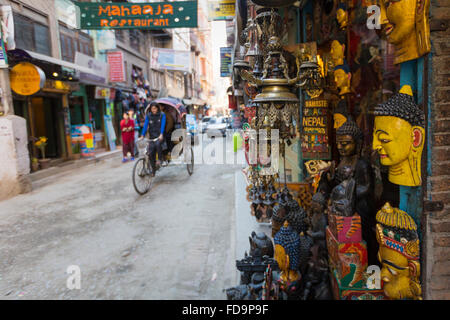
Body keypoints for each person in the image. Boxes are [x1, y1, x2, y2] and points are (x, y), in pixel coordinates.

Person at [140, 102, 167, 176]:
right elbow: (145, 125)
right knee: (150, 153)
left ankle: (160, 159)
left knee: (158, 144)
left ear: (157, 108)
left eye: (155, 108)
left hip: (160, 135)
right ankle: (153, 171)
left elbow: (163, 125)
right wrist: (142, 135)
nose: (153, 110)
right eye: (152, 109)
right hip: (152, 136)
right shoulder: (148, 116)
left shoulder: (162, 115)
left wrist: (161, 134)